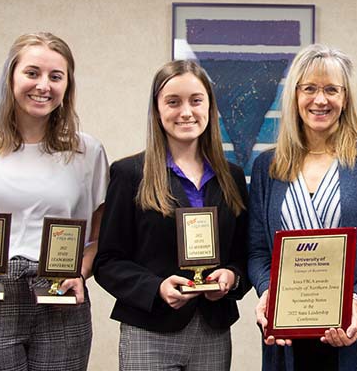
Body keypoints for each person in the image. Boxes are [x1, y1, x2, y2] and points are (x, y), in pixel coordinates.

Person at [0, 32, 107, 370]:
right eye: (32, 73)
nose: (44, 85)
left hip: (60, 302)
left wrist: (81, 273)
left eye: (56, 77)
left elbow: (99, 240)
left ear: (67, 86)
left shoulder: (88, 153)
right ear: (11, 76)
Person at [248, 43, 357, 371]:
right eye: (310, 89)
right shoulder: (268, 166)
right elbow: (259, 252)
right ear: (294, 95)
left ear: (345, 98)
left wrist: (355, 300)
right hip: (289, 339)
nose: (321, 100)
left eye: (331, 89)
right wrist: (267, 293)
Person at [93, 60, 250, 371]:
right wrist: (156, 288)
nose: (186, 112)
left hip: (213, 331)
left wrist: (232, 278)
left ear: (210, 106)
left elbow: (245, 254)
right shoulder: (129, 174)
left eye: (196, 100)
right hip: (149, 330)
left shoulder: (232, 177)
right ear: (157, 109)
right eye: (173, 102)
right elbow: (107, 261)